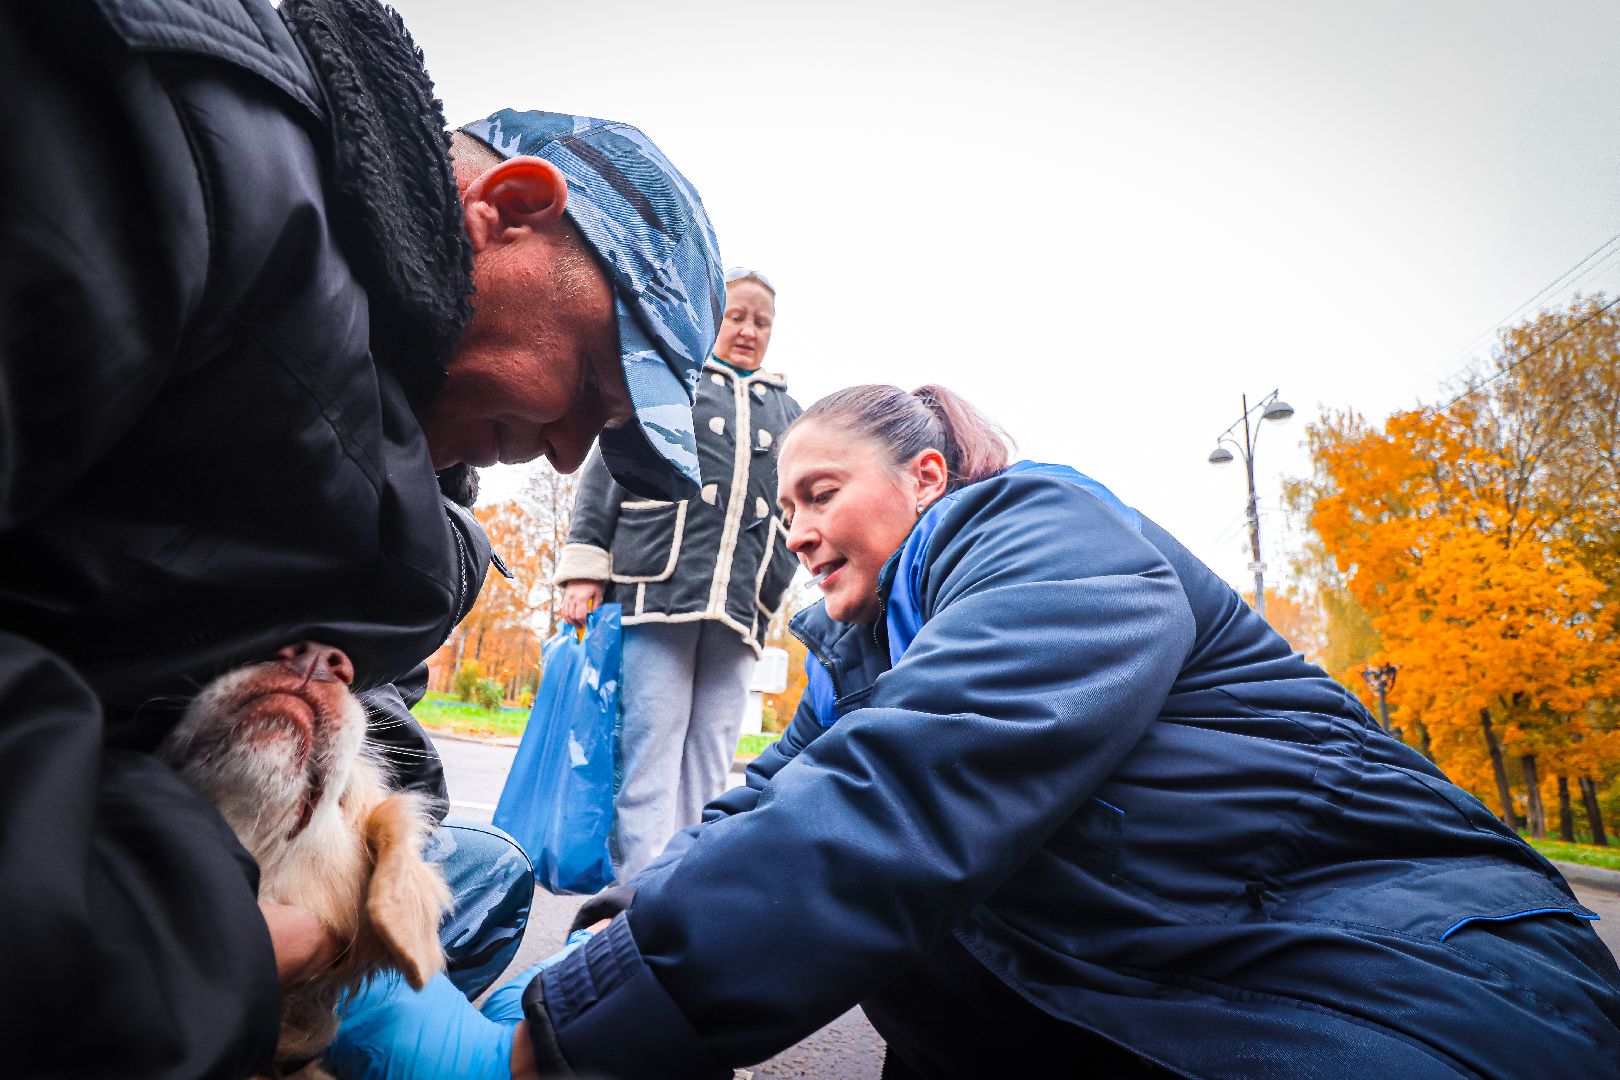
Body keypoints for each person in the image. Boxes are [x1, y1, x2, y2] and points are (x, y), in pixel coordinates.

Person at [494, 383, 1620, 1077]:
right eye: (785, 508)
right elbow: (765, 805)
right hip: (1225, 987)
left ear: (925, 477)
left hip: (1418, 976)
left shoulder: (1032, 523)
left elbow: (922, 775)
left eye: (821, 493)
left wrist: (580, 1034)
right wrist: (597, 956)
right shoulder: (861, 662)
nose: (795, 532)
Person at [0, 0, 721, 1073]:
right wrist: (183, 935)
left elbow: (379, 701)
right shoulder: (181, 147)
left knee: (486, 874)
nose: (572, 456)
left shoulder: (410, 451)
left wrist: (354, 800)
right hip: (94, 890)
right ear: (510, 208)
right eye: (591, 387)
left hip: (169, 843)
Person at [556, 268, 801, 877]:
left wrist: (776, 581)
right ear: (713, 317)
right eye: (736, 316)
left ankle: (683, 884)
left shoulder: (790, 414)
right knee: (650, 746)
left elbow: (800, 507)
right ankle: (633, 891)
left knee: (713, 755)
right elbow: (606, 472)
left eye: (761, 322)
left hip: (741, 605)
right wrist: (585, 567)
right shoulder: (674, 382)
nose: (748, 331)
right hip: (656, 588)